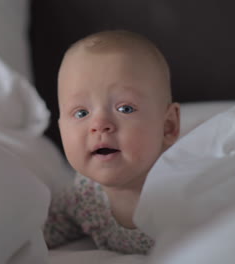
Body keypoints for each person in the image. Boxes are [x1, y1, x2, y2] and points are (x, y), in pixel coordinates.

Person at [43, 30, 180, 255]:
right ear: (60, 129)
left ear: (168, 127)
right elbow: (40, 231)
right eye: (81, 113)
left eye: (125, 108)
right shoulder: (84, 197)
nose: (99, 124)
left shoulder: (187, 185)